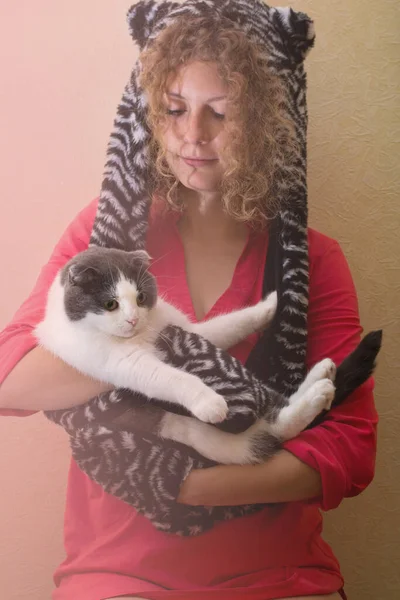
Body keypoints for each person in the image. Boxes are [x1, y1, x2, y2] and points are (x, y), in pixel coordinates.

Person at [0, 9, 377, 600]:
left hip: (279, 577)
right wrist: (142, 354)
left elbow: (349, 448)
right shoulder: (102, 240)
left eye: (221, 112)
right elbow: (12, 380)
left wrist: (184, 483)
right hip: (119, 576)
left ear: (267, 122)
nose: (192, 134)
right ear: (147, 110)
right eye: (174, 108)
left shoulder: (314, 259)